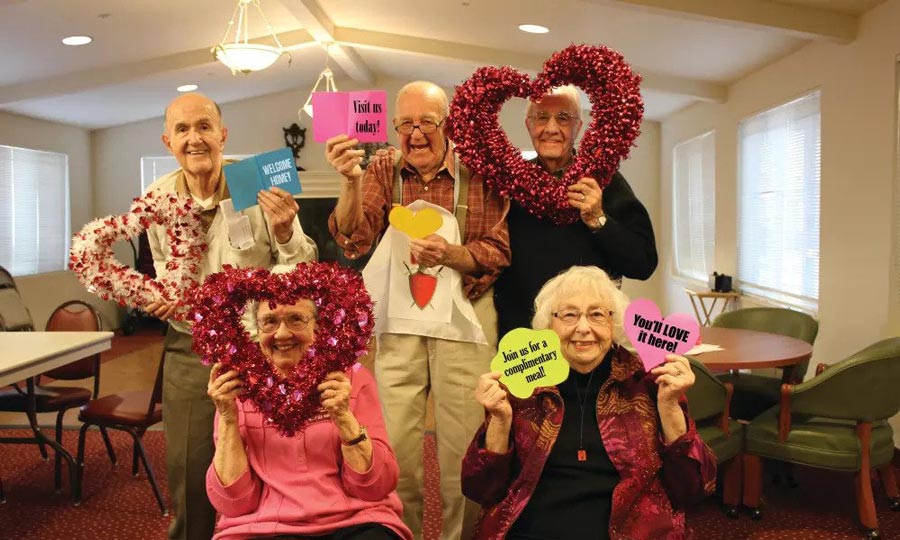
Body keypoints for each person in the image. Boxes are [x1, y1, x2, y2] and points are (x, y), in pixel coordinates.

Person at [325, 81, 511, 540]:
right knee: (396, 448)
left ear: (447, 124)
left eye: (427, 122)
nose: (417, 134)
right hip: (401, 323)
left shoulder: (480, 167)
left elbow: (498, 249)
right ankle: (398, 534)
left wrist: (450, 254)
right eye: (406, 123)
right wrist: (349, 180)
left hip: (465, 317)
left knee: (463, 451)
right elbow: (354, 238)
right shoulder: (383, 166)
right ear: (393, 128)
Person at [145, 92, 318, 540]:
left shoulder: (256, 181)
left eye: (204, 126)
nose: (194, 138)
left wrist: (283, 230)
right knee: (188, 461)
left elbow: (301, 268)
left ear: (223, 135)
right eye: (182, 130)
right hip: (189, 345)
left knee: (273, 456)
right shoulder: (156, 198)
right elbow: (165, 268)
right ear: (168, 141)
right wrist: (163, 295)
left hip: (261, 345)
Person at [463, 266, 716, 540]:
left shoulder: (649, 382)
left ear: (614, 322)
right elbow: (481, 490)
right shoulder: (522, 384)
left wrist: (669, 407)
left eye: (596, 314)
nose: (583, 328)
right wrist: (499, 422)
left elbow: (693, 488)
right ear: (549, 325)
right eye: (569, 315)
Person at [205, 292, 412, 540]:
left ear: (320, 327)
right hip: (265, 527)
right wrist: (227, 417)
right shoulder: (238, 386)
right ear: (256, 329)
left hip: (354, 520)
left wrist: (343, 416)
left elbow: (376, 486)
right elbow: (233, 503)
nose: (282, 334)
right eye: (270, 321)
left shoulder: (351, 377)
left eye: (296, 319)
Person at [493, 85, 657, 338]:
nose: (551, 128)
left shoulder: (605, 181)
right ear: (528, 125)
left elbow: (642, 264)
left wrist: (598, 219)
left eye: (563, 118)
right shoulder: (510, 183)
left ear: (579, 128)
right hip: (524, 343)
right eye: (541, 117)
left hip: (587, 339)